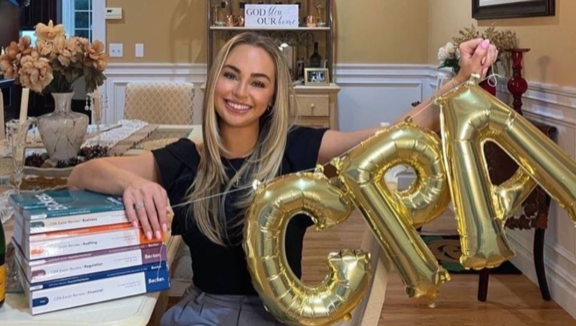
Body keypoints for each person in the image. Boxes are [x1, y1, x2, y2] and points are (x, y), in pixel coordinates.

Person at [68, 32, 498, 325]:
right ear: (215, 79)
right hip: (201, 313)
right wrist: (135, 182)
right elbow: (81, 175)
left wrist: (462, 78)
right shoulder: (185, 159)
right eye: (231, 76)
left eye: (258, 83)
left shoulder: (296, 150)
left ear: (272, 98)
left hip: (278, 315)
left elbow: (397, 134)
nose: (240, 93)